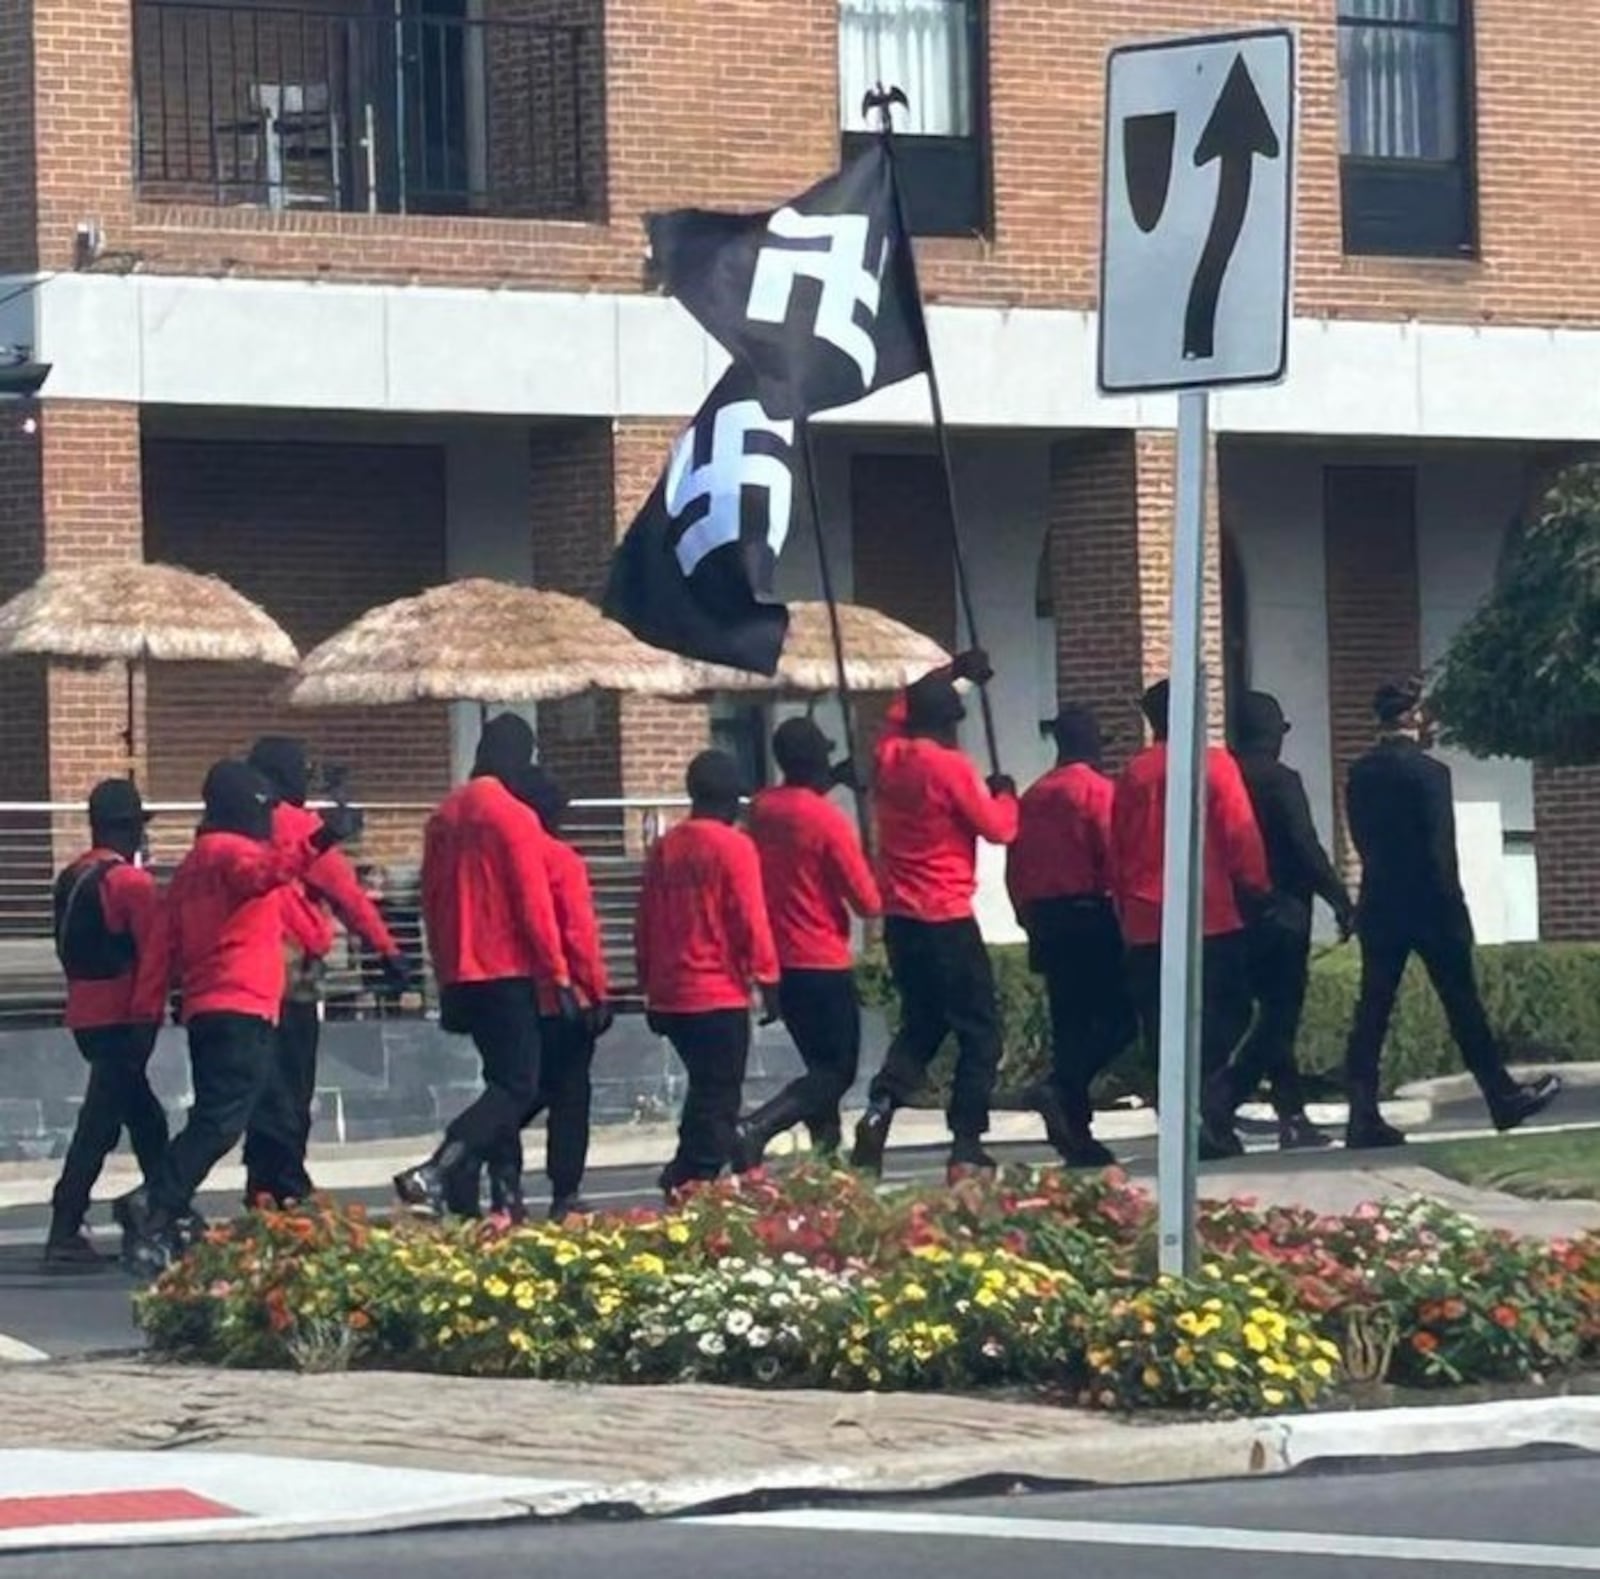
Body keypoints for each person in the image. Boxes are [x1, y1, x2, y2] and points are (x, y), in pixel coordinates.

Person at [114, 761, 359, 1272]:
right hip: (242, 1004)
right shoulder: (233, 854)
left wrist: (146, 1013)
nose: (270, 817)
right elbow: (263, 875)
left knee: (249, 1110)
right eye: (264, 807)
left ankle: (266, 1202)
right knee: (222, 1121)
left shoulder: (190, 867)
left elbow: (163, 946)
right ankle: (154, 1201)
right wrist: (321, 839)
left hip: (207, 1008)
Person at [1342, 678, 1560, 1147]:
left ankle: (1361, 1114)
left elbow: (1362, 841)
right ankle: (1501, 1096)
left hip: (1380, 902)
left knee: (1372, 1011)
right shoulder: (1430, 774)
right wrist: (1454, 909)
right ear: (1413, 718)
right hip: (1430, 904)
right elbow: (1441, 851)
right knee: (1463, 1005)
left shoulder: (1360, 773)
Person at [395, 714, 575, 1216]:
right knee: (519, 1086)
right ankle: (441, 1167)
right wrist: (557, 974)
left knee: (499, 1084)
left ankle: (505, 1197)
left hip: (460, 970)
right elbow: (532, 902)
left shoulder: (444, 816)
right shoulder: (511, 815)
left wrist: (441, 972)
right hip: (506, 969)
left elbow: (430, 900)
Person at [851, 651, 1019, 1182]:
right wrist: (1007, 796)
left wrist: (953, 676)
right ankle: (966, 1143)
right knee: (980, 1032)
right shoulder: (948, 768)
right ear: (948, 725)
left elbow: (900, 713)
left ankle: (881, 1105)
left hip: (901, 918)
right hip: (945, 914)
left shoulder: (887, 757)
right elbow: (998, 829)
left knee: (923, 1022)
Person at [242, 736, 410, 1207]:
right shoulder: (299, 826)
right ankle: (289, 1182)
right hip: (292, 971)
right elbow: (348, 896)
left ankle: (263, 1181)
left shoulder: (235, 825)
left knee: (262, 1084)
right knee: (293, 1081)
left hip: (241, 972)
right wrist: (389, 952)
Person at [1110, 679, 1270, 1160]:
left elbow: (1117, 847)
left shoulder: (1134, 773)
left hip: (1145, 917)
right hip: (1209, 915)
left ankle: (1176, 1115)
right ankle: (1207, 1101)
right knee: (1231, 1012)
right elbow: (1240, 833)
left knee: (1160, 1023)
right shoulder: (1215, 765)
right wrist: (1258, 886)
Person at [1208, 691, 1356, 1153]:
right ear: (1273, 734)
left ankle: (1291, 1114)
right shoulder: (1280, 779)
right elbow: (1304, 845)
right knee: (1279, 1018)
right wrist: (1340, 899)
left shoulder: (1218, 778)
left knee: (1261, 1017)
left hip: (1230, 911)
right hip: (1283, 912)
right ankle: (1225, 1099)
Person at [738, 717, 882, 1169]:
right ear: (818, 760)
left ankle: (826, 1157)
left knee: (818, 1063)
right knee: (835, 1071)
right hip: (820, 956)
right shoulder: (826, 820)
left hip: (778, 959)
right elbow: (866, 900)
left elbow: (794, 808)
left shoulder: (761, 809)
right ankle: (758, 1126)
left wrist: (834, 779)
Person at [636, 749, 779, 1195]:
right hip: (717, 989)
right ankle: (691, 1175)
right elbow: (750, 918)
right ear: (734, 799)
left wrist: (648, 984)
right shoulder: (734, 847)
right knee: (718, 1094)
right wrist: (768, 978)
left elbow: (645, 921)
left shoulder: (666, 848)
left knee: (706, 1091)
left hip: (671, 990)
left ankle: (697, 1169)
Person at [44, 780, 170, 1264]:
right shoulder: (129, 884)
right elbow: (153, 953)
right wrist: (149, 1016)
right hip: (123, 1014)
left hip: (84, 1012)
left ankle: (163, 1206)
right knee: (101, 1124)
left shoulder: (72, 876)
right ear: (129, 829)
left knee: (143, 1119)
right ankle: (67, 1222)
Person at [480, 764, 613, 1223]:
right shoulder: (560, 859)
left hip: (508, 991)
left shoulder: (496, 862)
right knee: (570, 1095)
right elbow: (579, 933)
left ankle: (505, 1190)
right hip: (562, 996)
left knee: (513, 1088)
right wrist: (596, 991)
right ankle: (565, 1192)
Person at [1006, 704, 1133, 1169]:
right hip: (1090, 914)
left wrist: (1027, 917)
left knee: (1069, 1024)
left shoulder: (1034, 796)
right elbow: (1112, 857)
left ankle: (1075, 1133)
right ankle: (1061, 1087)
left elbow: (1014, 867)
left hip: (1045, 918)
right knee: (1120, 1019)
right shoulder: (1097, 792)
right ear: (1092, 742)